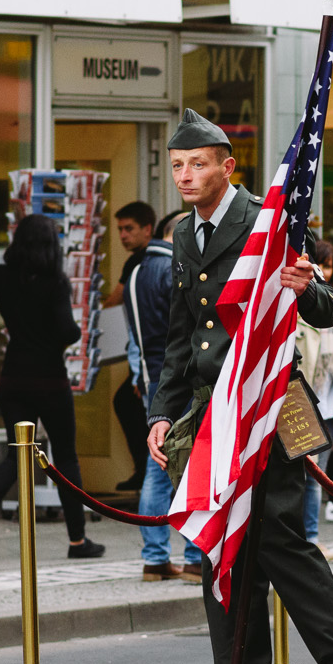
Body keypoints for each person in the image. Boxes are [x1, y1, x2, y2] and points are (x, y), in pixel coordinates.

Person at [145, 109, 333, 664]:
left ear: (228, 167)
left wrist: (306, 286)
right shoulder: (184, 234)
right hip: (214, 413)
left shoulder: (269, 220)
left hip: (272, 403)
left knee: (279, 538)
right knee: (219, 550)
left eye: (198, 164)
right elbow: (181, 337)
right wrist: (163, 410)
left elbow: (326, 311)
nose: (185, 175)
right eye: (177, 166)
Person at [0, 214, 106, 562]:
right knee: (65, 457)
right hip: (49, 378)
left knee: (15, 455)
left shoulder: (0, 276)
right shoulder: (55, 282)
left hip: (14, 376)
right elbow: (67, 330)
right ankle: (77, 540)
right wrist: (73, 330)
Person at [132, 208, 204, 581]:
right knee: (193, 463)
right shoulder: (174, 270)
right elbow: (187, 330)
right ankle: (193, 556)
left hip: (152, 375)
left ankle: (155, 556)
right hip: (182, 379)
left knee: (157, 465)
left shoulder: (138, 270)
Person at [295, 239, 333, 542]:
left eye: (330, 266)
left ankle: (311, 539)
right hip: (304, 395)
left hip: (331, 395)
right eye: (320, 264)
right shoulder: (297, 303)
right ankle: (304, 539)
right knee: (305, 472)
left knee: (316, 471)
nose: (325, 271)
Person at [105, 201, 158, 492]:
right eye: (120, 230)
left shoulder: (143, 262)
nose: (123, 236)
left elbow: (116, 300)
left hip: (151, 357)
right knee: (129, 403)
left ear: (147, 229)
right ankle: (146, 471)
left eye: (129, 229)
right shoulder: (142, 261)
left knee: (130, 403)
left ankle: (147, 471)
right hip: (147, 355)